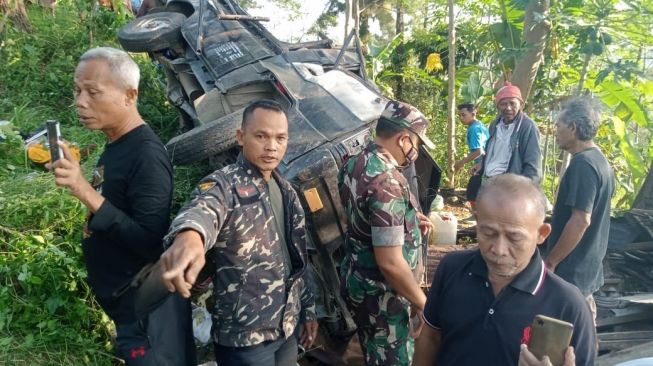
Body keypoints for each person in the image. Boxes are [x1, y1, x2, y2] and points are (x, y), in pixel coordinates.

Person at [49, 47, 196, 365]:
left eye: (92, 92)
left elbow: (149, 241)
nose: (80, 102)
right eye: (77, 90)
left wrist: (84, 190)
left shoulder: (146, 155)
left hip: (149, 313)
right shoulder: (116, 143)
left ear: (130, 95)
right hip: (129, 308)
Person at [159, 100, 318, 366]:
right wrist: (190, 237)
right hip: (244, 339)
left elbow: (300, 258)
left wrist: (308, 310)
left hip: (285, 329)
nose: (272, 146)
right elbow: (202, 211)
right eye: (261, 136)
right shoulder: (224, 184)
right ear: (240, 137)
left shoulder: (286, 190)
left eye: (280, 138)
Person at [413, 174, 596, 366]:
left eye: (514, 238)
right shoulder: (452, 268)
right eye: (488, 233)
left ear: (541, 234)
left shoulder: (568, 304)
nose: (498, 250)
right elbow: (430, 337)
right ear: (477, 221)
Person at [338, 100, 435, 365]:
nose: (415, 151)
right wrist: (424, 305)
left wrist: (409, 220)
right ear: (404, 139)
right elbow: (390, 263)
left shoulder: (354, 164)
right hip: (384, 300)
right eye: (416, 144)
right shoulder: (387, 182)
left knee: (373, 353)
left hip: (358, 283)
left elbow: (355, 220)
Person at [542, 97, 615, 321]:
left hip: (572, 270)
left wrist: (551, 261)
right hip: (585, 267)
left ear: (573, 128)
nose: (555, 132)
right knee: (583, 328)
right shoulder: (600, 160)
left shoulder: (583, 164)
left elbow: (581, 220)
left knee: (569, 334)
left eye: (559, 126)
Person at [473, 82, 542, 183]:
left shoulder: (527, 127)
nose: (508, 108)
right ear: (498, 106)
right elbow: (494, 153)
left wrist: (527, 191)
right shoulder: (495, 125)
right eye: (503, 104)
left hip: (509, 186)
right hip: (489, 181)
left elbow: (533, 165)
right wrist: (482, 164)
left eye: (512, 103)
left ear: (521, 105)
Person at [453, 103, 489, 211]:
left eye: (464, 115)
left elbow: (479, 151)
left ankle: (477, 217)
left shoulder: (474, 129)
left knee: (472, 192)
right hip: (485, 163)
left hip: (483, 164)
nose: (461, 118)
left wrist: (462, 162)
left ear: (473, 114)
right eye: (460, 115)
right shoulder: (480, 125)